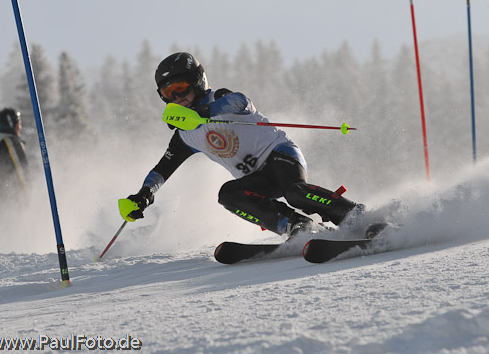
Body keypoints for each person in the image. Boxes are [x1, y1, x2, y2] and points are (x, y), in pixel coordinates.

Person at [122, 52, 361, 239]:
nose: (177, 98)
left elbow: (240, 101)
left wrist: (206, 112)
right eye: (168, 93)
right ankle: (296, 226)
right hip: (258, 178)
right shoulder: (185, 135)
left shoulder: (220, 98)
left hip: (280, 155)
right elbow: (162, 170)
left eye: (181, 88)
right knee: (228, 194)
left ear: (197, 81)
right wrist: (144, 195)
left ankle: (354, 215)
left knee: (294, 192)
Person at [0, 108, 28, 196]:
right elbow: (21, 170)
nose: (20, 127)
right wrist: (28, 193)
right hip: (14, 196)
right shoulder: (10, 142)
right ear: (12, 124)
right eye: (19, 123)